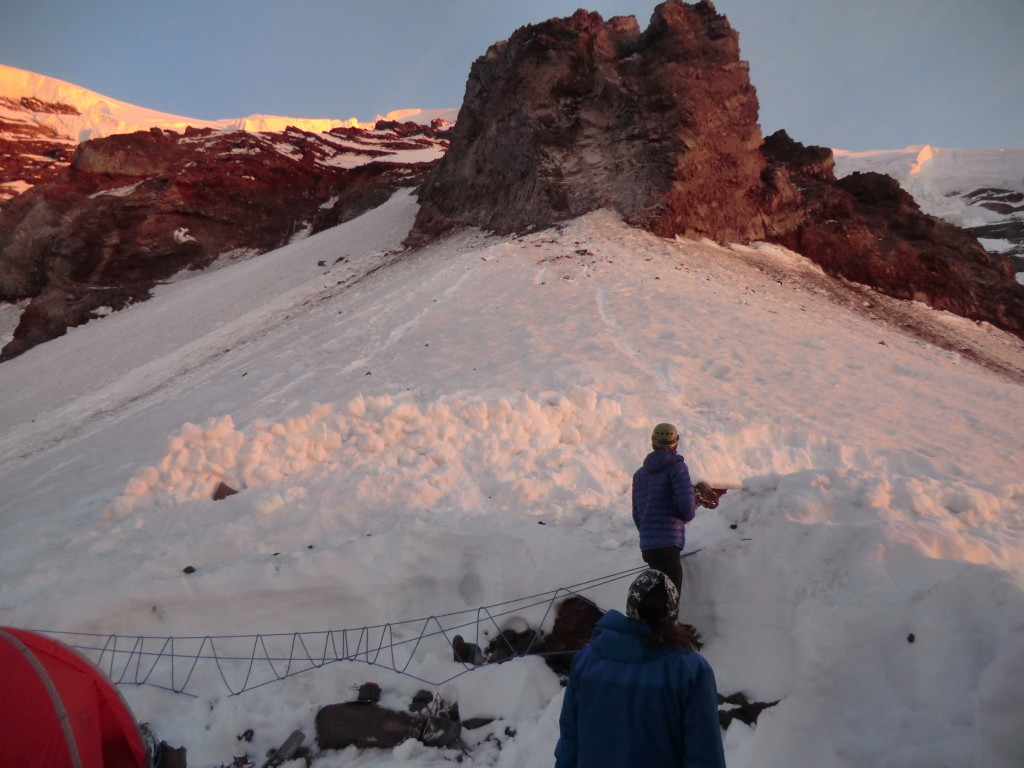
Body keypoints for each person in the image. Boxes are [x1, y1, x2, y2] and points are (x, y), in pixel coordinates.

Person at [553, 569, 725, 768]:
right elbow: (705, 755)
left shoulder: (586, 661)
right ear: (671, 611)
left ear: (630, 605)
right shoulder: (689, 671)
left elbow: (569, 741)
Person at [631, 422, 696, 593]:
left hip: (648, 546)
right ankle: (670, 621)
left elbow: (637, 513)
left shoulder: (639, 475)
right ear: (675, 443)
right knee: (671, 596)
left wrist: (648, 533)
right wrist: (687, 516)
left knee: (658, 596)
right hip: (668, 542)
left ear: (653, 443)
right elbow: (686, 502)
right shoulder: (677, 467)